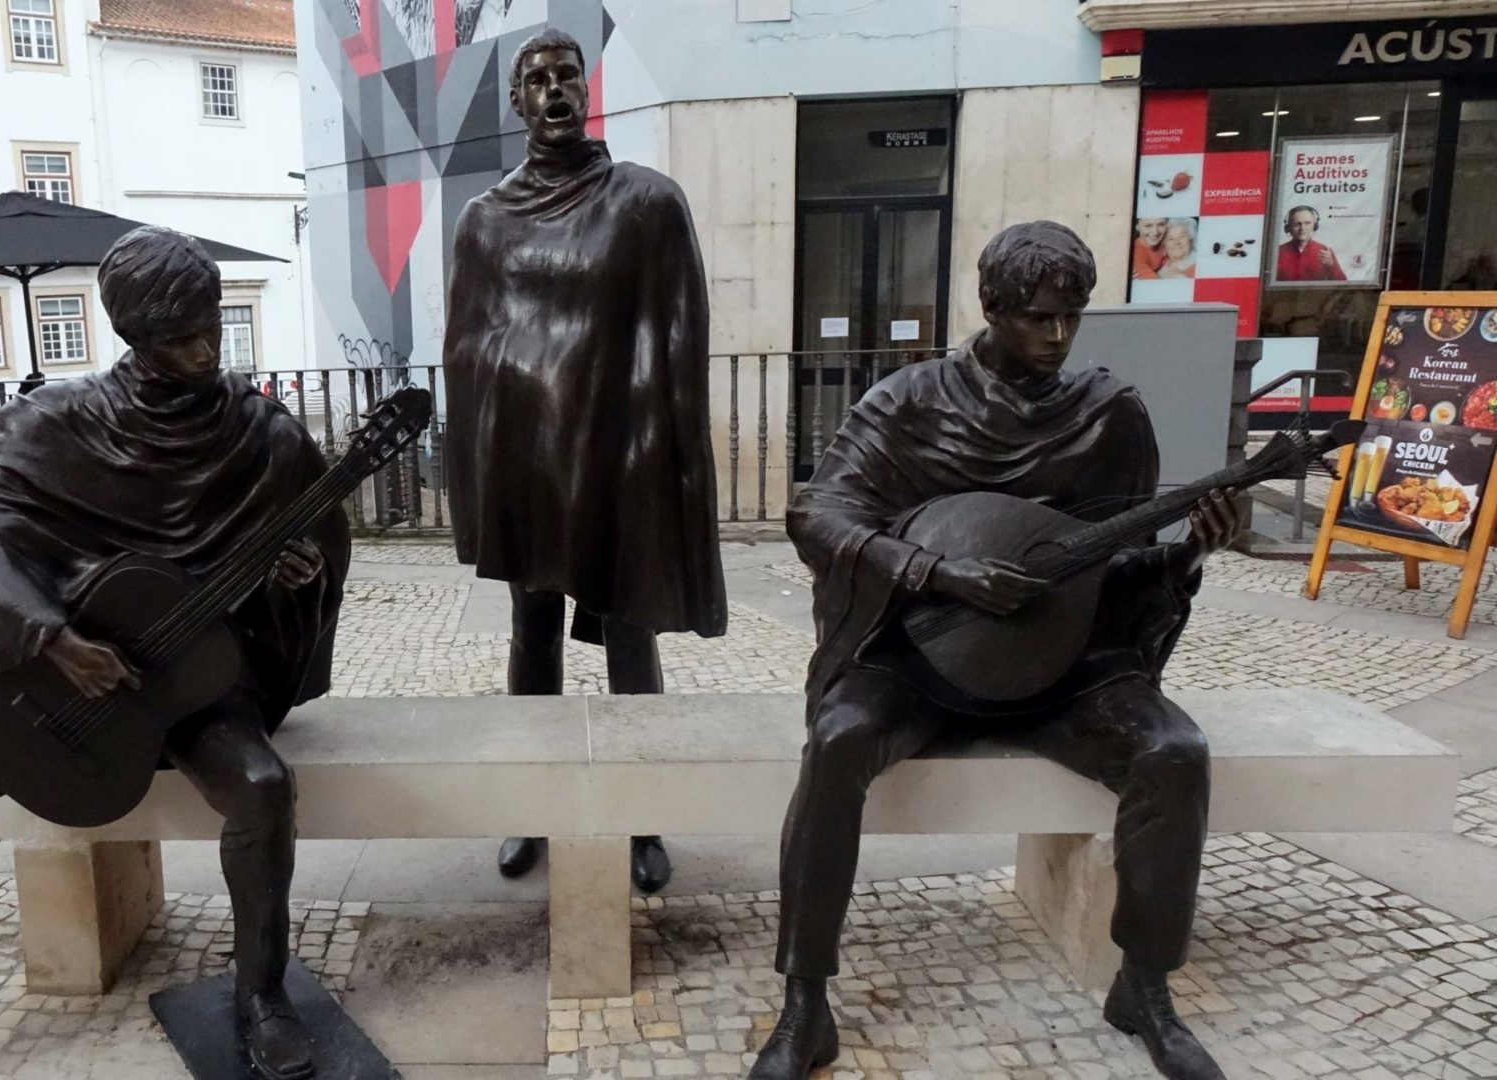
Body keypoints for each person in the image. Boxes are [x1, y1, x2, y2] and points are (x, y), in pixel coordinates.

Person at [0, 226, 349, 1080]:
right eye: (178, 335)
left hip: (197, 686)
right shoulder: (56, 424)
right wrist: (51, 635)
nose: (202, 349)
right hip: (73, 686)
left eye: (210, 326)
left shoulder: (261, 432)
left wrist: (295, 576)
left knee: (263, 787)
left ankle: (261, 996)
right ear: (132, 335)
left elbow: (318, 550)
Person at [747, 222, 1237, 1080]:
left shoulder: (1108, 414)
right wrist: (937, 574)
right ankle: (806, 1004)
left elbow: (1122, 570)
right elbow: (817, 514)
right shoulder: (911, 402)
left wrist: (1193, 550)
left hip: (1068, 664)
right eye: (1038, 318)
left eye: (1071, 318)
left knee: (1175, 750)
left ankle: (1146, 987)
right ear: (994, 308)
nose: (1056, 336)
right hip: (920, 660)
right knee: (836, 742)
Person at [443, 26, 727, 894]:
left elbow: (679, 338)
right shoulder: (484, 221)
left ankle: (642, 814)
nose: (556, 90)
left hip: (615, 458)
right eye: (538, 79)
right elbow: (466, 347)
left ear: (587, 88)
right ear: (519, 102)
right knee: (531, 639)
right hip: (526, 461)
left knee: (630, 635)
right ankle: (533, 805)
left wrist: (669, 462)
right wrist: (479, 481)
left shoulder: (645, 203)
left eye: (569, 75)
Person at [1275, 205, 1346, 282]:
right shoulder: (1277, 252)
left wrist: (1331, 265)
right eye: (1297, 224)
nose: (1302, 228)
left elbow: (1342, 283)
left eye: (1307, 223)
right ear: (1288, 227)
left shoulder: (1325, 250)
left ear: (1315, 226)